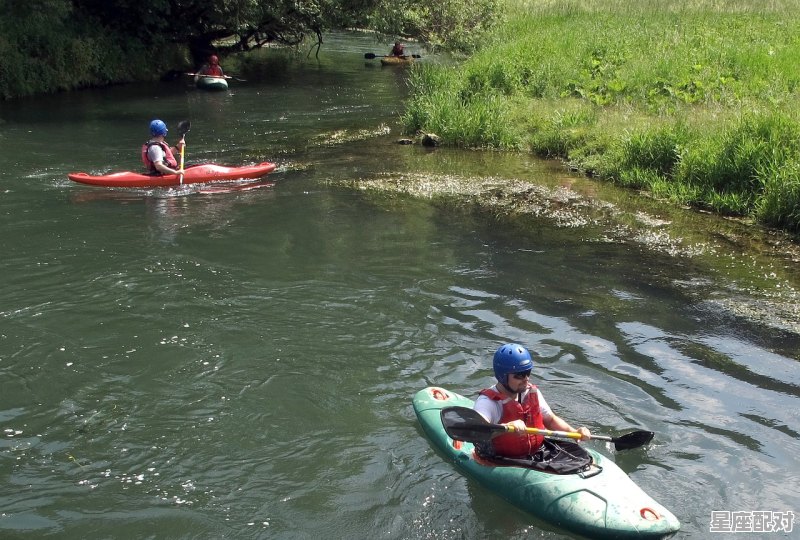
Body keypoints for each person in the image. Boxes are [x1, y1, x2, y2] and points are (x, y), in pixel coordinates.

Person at [474, 343, 592, 460]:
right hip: (502, 458)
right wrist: (506, 427)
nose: (526, 379)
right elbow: (478, 432)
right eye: (519, 375)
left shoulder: (529, 392)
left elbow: (550, 420)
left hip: (537, 451)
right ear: (502, 376)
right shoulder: (487, 402)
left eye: (527, 373)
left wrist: (574, 432)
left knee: (583, 457)